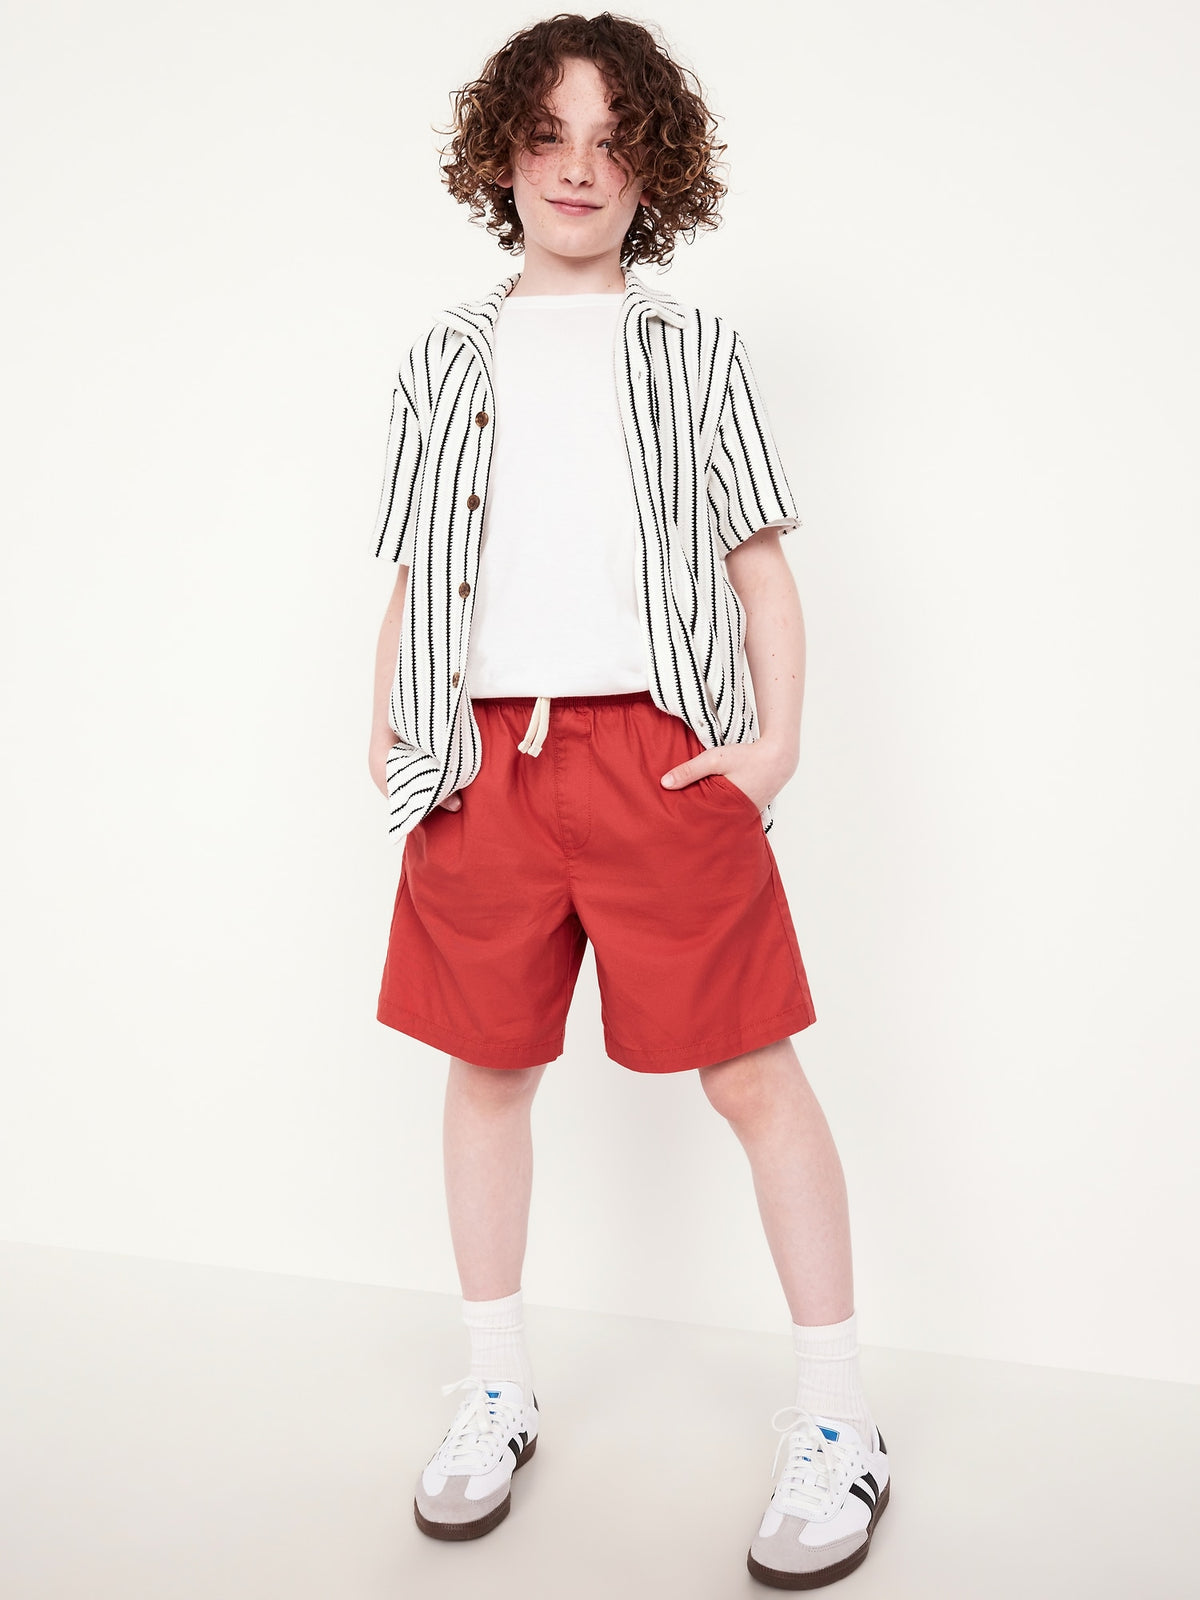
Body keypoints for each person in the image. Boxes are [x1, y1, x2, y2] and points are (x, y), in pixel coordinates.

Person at [365, 13, 889, 1588]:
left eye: (611, 139)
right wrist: (389, 736)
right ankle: (496, 1389)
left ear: (655, 168)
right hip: (483, 764)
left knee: (751, 1072)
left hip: (660, 757)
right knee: (487, 1071)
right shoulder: (442, 356)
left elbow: (759, 567)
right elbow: (415, 570)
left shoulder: (695, 351)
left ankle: (839, 1417)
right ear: (501, 158)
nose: (577, 167)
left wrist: (773, 747)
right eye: (547, 136)